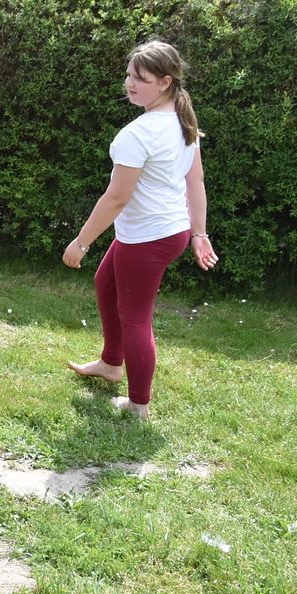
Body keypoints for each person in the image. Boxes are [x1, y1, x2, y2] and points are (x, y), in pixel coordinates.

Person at [62, 39, 219, 419]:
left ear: (165, 82)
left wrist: (81, 243)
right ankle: (110, 364)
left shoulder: (139, 134)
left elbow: (117, 198)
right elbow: (194, 181)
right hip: (165, 231)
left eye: (141, 78)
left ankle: (138, 405)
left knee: (135, 317)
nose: (130, 84)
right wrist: (197, 233)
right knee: (106, 283)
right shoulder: (182, 123)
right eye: (129, 75)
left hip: (150, 237)